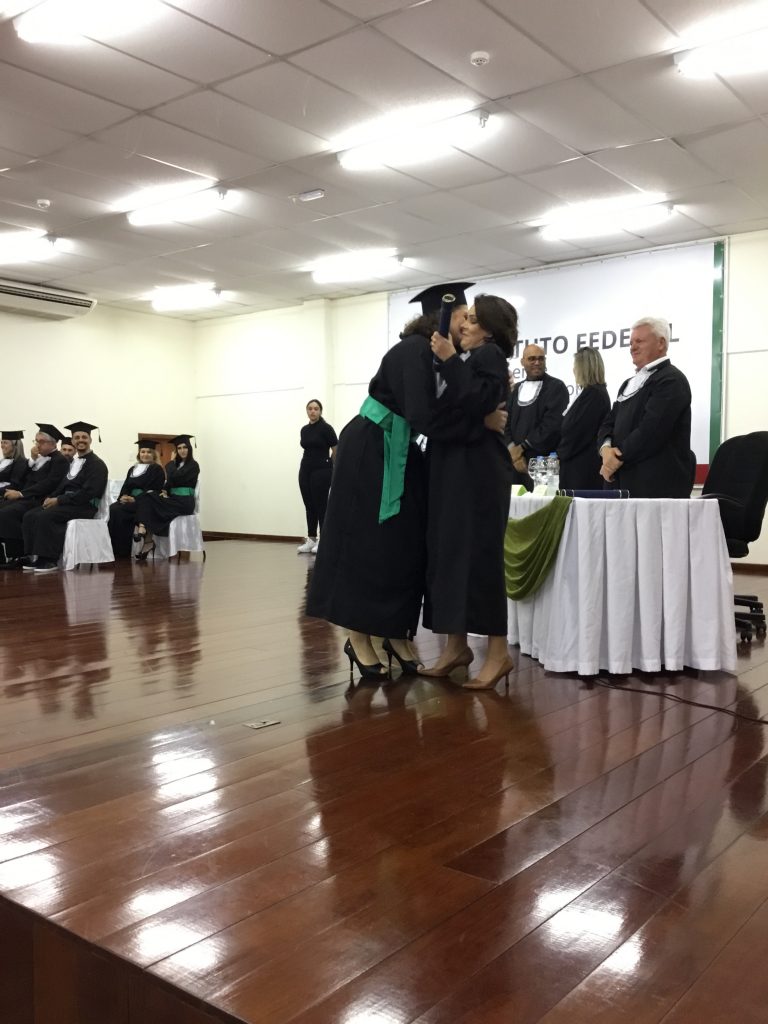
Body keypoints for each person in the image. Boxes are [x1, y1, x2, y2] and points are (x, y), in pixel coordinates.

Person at [306, 282, 474, 680]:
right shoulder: (413, 351)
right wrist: (473, 427)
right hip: (371, 447)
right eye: (464, 318)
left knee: (404, 544)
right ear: (442, 319)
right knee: (367, 543)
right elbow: (422, 413)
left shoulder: (440, 357)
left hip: (401, 449)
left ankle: (396, 633)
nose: (468, 326)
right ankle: (357, 635)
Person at [421, 295, 518, 690]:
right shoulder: (466, 359)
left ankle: (498, 654)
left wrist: (448, 360)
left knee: (481, 560)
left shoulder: (489, 355)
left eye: (473, 320)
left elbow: (478, 399)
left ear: (490, 330)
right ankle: (455, 647)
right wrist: (480, 419)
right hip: (454, 469)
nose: (464, 324)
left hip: (478, 473)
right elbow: (447, 415)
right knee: (450, 557)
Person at [598, 317, 693, 498]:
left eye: (639, 341)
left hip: (654, 487)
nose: (632, 347)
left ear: (661, 343)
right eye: (631, 343)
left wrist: (615, 459)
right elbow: (607, 424)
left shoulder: (671, 380)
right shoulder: (628, 383)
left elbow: (651, 431)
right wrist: (605, 450)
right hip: (620, 482)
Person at [20, 420, 108, 574]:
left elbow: (89, 492)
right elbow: (62, 486)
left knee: (46, 516)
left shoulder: (97, 464)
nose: (80, 440)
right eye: (77, 437)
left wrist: (59, 500)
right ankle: (33, 556)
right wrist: (51, 497)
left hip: (84, 506)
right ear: (72, 440)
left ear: (90, 440)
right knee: (30, 515)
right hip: (67, 503)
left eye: (84, 437)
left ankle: (49, 559)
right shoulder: (73, 463)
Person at [0, 423, 69, 567]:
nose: (37, 445)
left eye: (41, 442)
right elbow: (22, 478)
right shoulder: (37, 459)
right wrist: (32, 459)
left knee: (8, 513)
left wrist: (20, 494)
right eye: (36, 441)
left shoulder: (60, 460)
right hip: (27, 498)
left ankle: (19, 555)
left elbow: (49, 484)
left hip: (39, 500)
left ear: (53, 443)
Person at [505, 343, 569, 489]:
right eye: (532, 359)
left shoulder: (557, 387)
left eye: (541, 358)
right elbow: (505, 422)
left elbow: (552, 425)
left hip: (544, 463)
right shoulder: (515, 390)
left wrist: (522, 447)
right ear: (522, 362)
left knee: (544, 502)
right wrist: (513, 451)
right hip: (514, 463)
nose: (537, 362)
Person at [133, 434, 199, 561]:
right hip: (174, 500)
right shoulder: (176, 465)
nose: (182, 450)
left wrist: (171, 462)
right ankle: (144, 533)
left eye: (185, 447)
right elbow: (169, 483)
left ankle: (146, 537)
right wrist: (164, 491)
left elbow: (177, 477)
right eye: (179, 448)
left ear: (189, 449)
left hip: (185, 502)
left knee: (151, 503)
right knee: (148, 496)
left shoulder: (193, 465)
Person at [557, 347, 611, 490]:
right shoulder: (589, 394)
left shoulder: (594, 395)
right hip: (577, 468)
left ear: (583, 368)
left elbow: (577, 433)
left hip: (582, 472)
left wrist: (558, 455)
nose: (573, 370)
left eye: (576, 366)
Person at [108, 439, 166, 558]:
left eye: (148, 452)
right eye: (143, 452)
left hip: (145, 501)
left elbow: (154, 490)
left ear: (153, 454)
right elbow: (126, 485)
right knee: (112, 508)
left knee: (119, 511)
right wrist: (123, 497)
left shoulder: (157, 469)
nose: (145, 454)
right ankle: (113, 548)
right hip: (130, 499)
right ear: (139, 454)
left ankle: (123, 550)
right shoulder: (132, 468)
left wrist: (135, 499)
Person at [297, 400, 337, 555]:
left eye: (316, 409)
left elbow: (336, 449)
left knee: (321, 505)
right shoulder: (304, 430)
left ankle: (324, 540)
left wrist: (330, 465)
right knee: (309, 504)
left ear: (320, 411)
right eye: (310, 408)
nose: (313, 411)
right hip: (305, 468)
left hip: (322, 470)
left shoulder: (326, 428)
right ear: (307, 411)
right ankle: (312, 539)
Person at [0, 431, 28, 497]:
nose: (2, 446)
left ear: (15, 445)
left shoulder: (21, 463)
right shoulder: (2, 461)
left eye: (5, 443)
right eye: (1, 442)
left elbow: (14, 486)